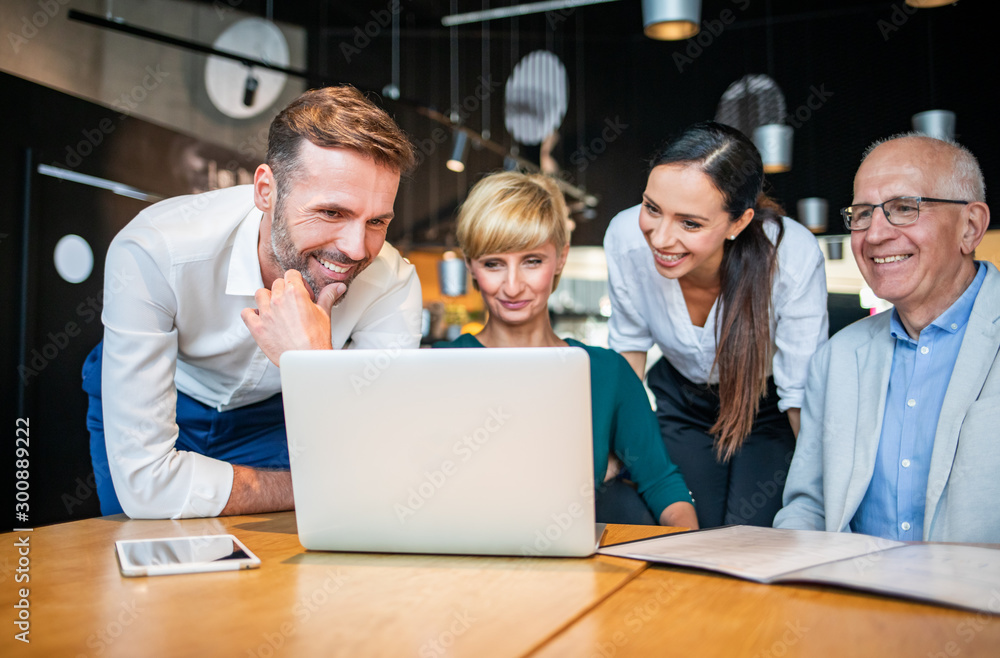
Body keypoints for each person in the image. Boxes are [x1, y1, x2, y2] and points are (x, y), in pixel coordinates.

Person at [82, 86, 423, 519]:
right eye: (332, 213)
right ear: (266, 190)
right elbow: (147, 489)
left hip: (274, 414)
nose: (357, 249)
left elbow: (375, 461)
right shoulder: (156, 251)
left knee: (280, 573)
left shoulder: (392, 282)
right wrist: (321, 485)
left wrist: (313, 364)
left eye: (376, 221)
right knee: (140, 548)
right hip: (170, 390)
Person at [435, 171, 699, 528]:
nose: (513, 287)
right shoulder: (437, 368)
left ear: (560, 259)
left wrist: (684, 564)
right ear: (471, 267)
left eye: (532, 261)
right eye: (493, 263)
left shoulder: (605, 372)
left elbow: (663, 484)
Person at [604, 122, 828, 529]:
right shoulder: (624, 237)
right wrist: (613, 451)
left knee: (752, 535)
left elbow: (799, 396)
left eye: (690, 224)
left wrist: (825, 499)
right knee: (691, 533)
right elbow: (628, 351)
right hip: (683, 401)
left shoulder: (791, 255)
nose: (660, 238)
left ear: (738, 223)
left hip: (766, 408)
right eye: (652, 208)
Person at [774, 134, 998, 542]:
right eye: (861, 214)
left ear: (971, 227)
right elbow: (808, 505)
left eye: (903, 209)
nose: (874, 235)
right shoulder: (837, 357)